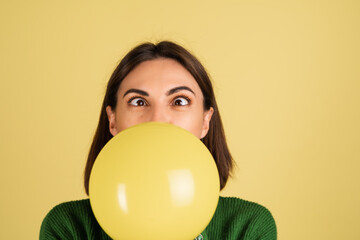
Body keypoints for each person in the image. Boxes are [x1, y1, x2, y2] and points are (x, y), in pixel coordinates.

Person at [39, 41, 277, 240]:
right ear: (113, 120)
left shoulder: (249, 226)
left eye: (180, 101)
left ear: (206, 121)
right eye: (138, 102)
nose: (157, 119)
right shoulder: (68, 227)